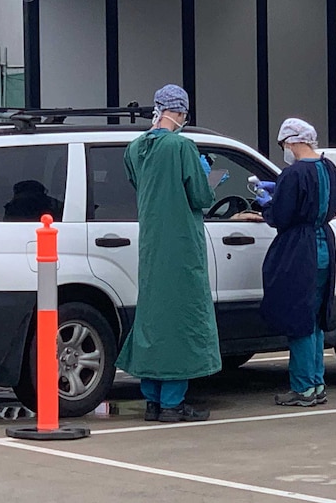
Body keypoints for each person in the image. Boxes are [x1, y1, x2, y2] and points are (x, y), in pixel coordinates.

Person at [115, 84, 221, 423]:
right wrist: (207, 176)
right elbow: (201, 198)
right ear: (180, 111)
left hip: (151, 245)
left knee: (152, 320)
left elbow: (144, 186)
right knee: (180, 320)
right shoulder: (181, 146)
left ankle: (152, 401)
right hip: (181, 245)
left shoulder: (133, 149)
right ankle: (173, 403)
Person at [257, 118, 336, 407]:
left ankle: (303, 387)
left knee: (299, 320)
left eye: (284, 145)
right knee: (316, 317)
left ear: (292, 142)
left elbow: (281, 216)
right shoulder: (330, 169)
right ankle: (317, 383)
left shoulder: (294, 174)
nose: (285, 150)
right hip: (323, 246)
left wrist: (267, 203)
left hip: (299, 249)